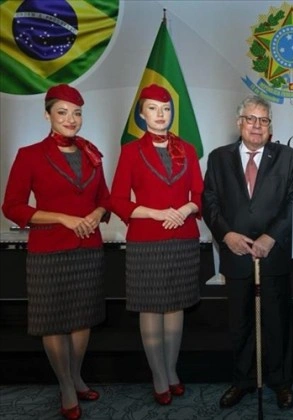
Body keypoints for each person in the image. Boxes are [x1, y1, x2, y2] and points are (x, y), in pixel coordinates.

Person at [2, 84, 110, 420]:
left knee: (82, 318)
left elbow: (105, 199)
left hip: (87, 248)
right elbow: (12, 207)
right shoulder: (30, 155)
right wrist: (62, 217)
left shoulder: (91, 153)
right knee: (53, 321)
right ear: (47, 115)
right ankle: (65, 386)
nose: (70, 119)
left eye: (76, 113)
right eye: (62, 112)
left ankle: (75, 376)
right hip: (48, 250)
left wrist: (96, 214)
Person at [202, 95, 293, 410]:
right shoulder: (219, 158)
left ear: (270, 126)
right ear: (239, 123)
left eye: (263, 120)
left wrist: (271, 237)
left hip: (273, 254)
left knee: (277, 322)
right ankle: (242, 381)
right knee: (240, 324)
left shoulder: (287, 157)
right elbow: (209, 201)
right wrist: (226, 235)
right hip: (236, 255)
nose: (257, 126)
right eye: (251, 119)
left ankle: (281, 382)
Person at [110, 84, 204, 406]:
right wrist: (155, 212)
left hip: (183, 237)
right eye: (152, 108)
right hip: (147, 240)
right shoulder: (130, 151)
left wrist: (186, 209)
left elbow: (200, 194)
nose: (160, 114)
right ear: (142, 114)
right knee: (150, 306)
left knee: (176, 306)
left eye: (165, 108)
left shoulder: (187, 149)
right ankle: (158, 375)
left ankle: (172, 370)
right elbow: (118, 201)